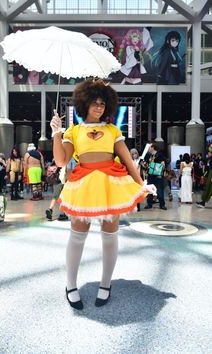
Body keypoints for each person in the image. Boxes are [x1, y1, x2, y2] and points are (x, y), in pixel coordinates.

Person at [51, 79, 156, 310]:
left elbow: (128, 160)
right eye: (94, 103)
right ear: (84, 104)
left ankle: (106, 284)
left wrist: (141, 184)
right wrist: (56, 133)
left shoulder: (112, 129)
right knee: (78, 235)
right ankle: (70, 285)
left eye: (102, 103)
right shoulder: (74, 131)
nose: (98, 107)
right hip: (84, 185)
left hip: (112, 184)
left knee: (110, 234)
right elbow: (61, 161)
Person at [144, 143, 167, 210]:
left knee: (159, 190)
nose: (147, 149)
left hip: (158, 176)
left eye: (148, 147)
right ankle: (149, 204)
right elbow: (147, 165)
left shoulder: (159, 154)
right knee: (150, 190)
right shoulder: (148, 156)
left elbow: (163, 164)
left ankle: (162, 204)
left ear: (152, 147)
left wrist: (160, 172)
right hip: (150, 176)